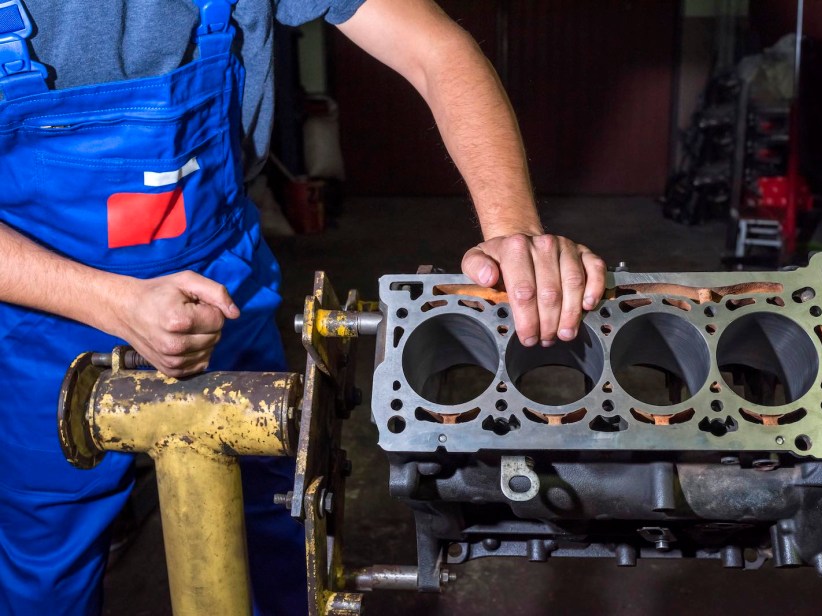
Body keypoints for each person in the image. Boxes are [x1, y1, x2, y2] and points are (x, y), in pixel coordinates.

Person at [0, 0, 606, 614]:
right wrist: (108, 300)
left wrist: (514, 232)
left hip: (223, 289)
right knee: (46, 565)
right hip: (44, 307)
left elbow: (436, 50)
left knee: (280, 521)